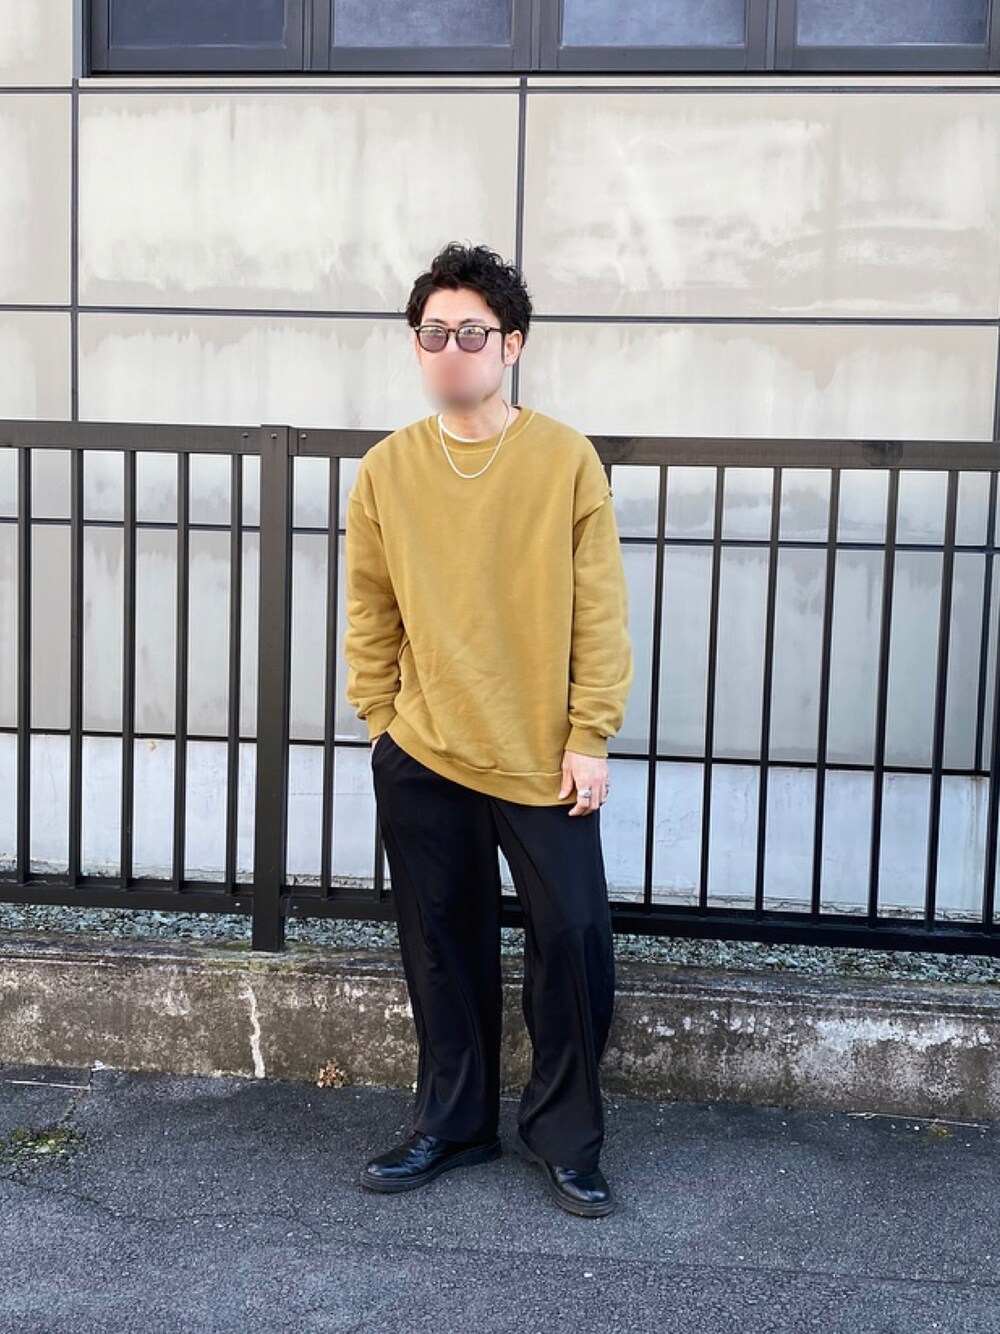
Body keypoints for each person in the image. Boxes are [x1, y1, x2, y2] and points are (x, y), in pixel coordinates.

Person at [343, 241, 634, 1218]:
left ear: (511, 345)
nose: (450, 349)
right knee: (440, 943)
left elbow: (600, 612)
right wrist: (380, 721)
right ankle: (454, 1122)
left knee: (575, 941)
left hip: (543, 754)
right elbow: (369, 608)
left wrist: (589, 733)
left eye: (471, 333)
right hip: (424, 748)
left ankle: (565, 1137)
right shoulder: (386, 471)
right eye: (433, 333)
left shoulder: (563, 459)